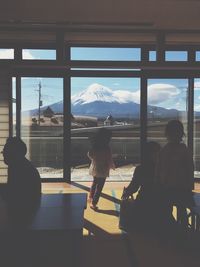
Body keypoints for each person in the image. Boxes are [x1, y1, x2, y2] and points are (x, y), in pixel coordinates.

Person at [155, 120, 194, 228]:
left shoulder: (164, 150)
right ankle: (183, 231)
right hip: (179, 187)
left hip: (168, 186)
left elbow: (158, 170)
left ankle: (172, 231)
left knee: (167, 210)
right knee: (181, 210)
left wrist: (158, 183)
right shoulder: (184, 150)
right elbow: (190, 169)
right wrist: (189, 186)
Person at [120, 141, 161, 230]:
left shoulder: (141, 169)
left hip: (144, 200)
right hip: (161, 203)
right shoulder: (164, 169)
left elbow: (134, 187)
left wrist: (126, 192)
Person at [1, 137, 41, 224]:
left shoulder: (20, 169)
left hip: (24, 212)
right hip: (26, 208)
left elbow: (14, 196)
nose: (3, 154)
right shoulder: (18, 164)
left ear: (14, 153)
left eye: (6, 151)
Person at [88, 128, 115, 210]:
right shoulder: (107, 148)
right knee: (99, 187)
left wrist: (95, 160)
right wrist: (112, 166)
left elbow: (90, 155)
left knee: (94, 182)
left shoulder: (95, 146)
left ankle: (91, 197)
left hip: (95, 167)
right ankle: (94, 203)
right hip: (103, 169)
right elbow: (109, 159)